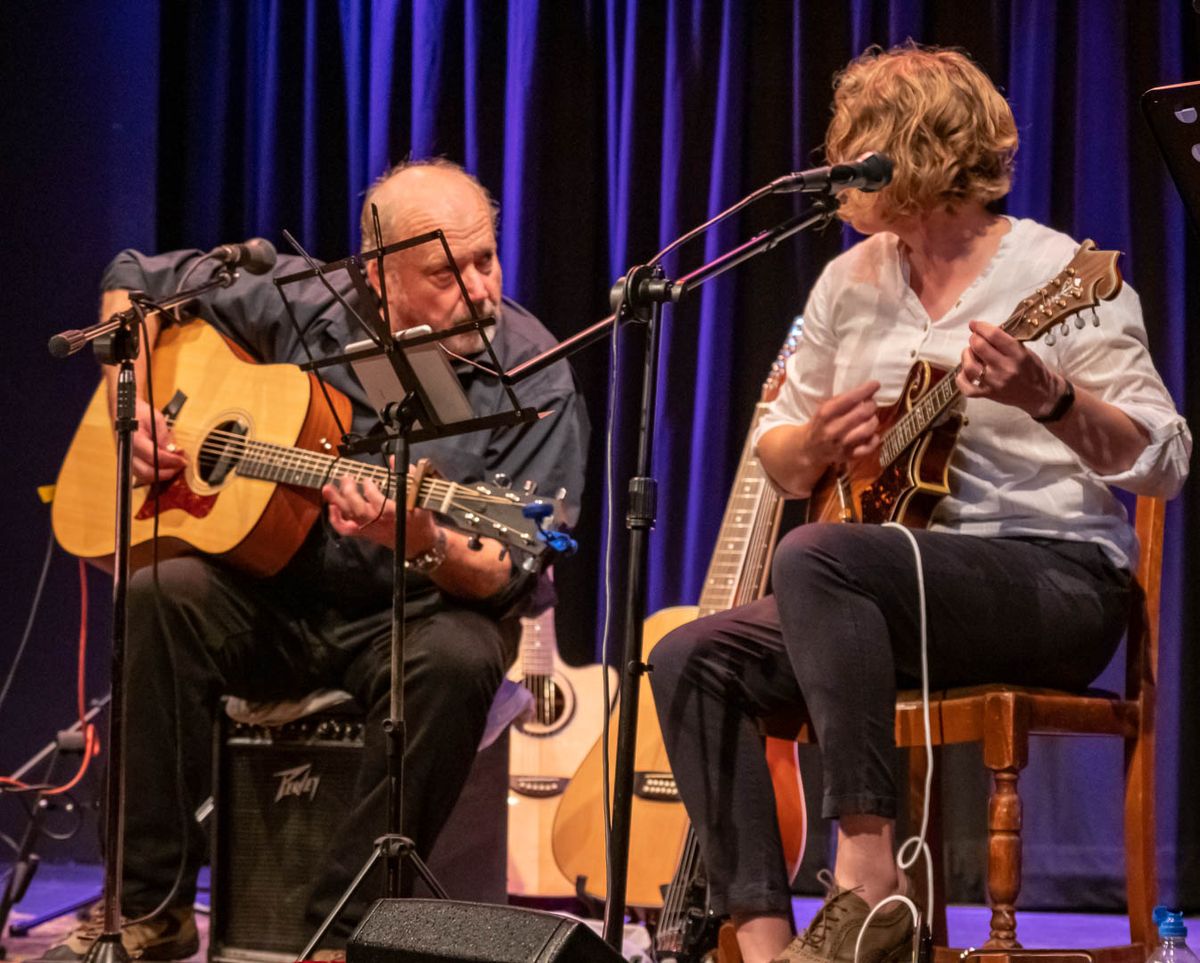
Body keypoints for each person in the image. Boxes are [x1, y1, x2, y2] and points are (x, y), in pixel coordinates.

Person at [647, 44, 1190, 963]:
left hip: (1054, 581)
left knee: (819, 555)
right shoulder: (848, 282)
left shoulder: (1062, 273)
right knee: (693, 655)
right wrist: (818, 443)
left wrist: (1048, 396)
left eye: (858, 146)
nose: (837, 167)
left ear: (921, 150)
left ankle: (867, 888)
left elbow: (1164, 458)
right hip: (883, 595)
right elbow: (778, 451)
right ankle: (774, 948)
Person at [45, 159, 589, 961]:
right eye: (445, 271)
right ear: (377, 273)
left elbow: (504, 567)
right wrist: (140, 410)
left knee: (459, 656)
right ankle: (148, 907)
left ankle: (341, 934)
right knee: (161, 593)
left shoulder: (536, 372)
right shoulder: (301, 299)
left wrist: (421, 535)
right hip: (278, 596)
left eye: (486, 260)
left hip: (415, 616)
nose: (478, 288)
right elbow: (132, 281)